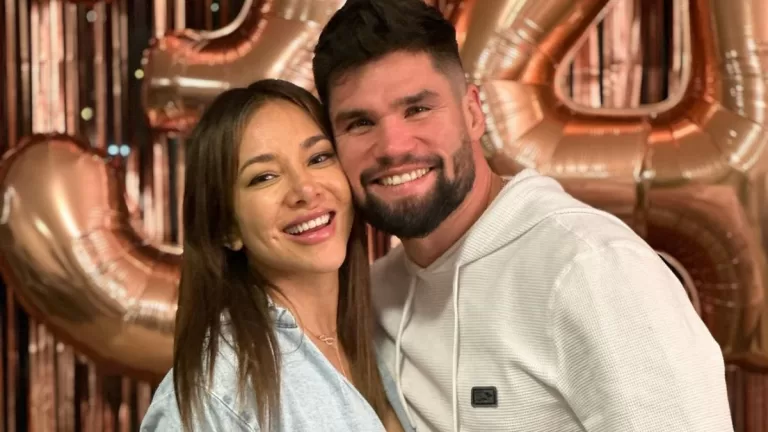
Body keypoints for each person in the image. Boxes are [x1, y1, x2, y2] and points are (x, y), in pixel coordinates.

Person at [311, 1, 735, 431]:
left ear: (473, 113)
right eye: (360, 123)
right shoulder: (372, 296)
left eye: (417, 109)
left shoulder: (592, 267)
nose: (393, 147)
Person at [140, 79, 412, 431]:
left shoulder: (385, 331)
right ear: (228, 228)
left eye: (318, 157)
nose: (305, 190)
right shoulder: (216, 391)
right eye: (264, 177)